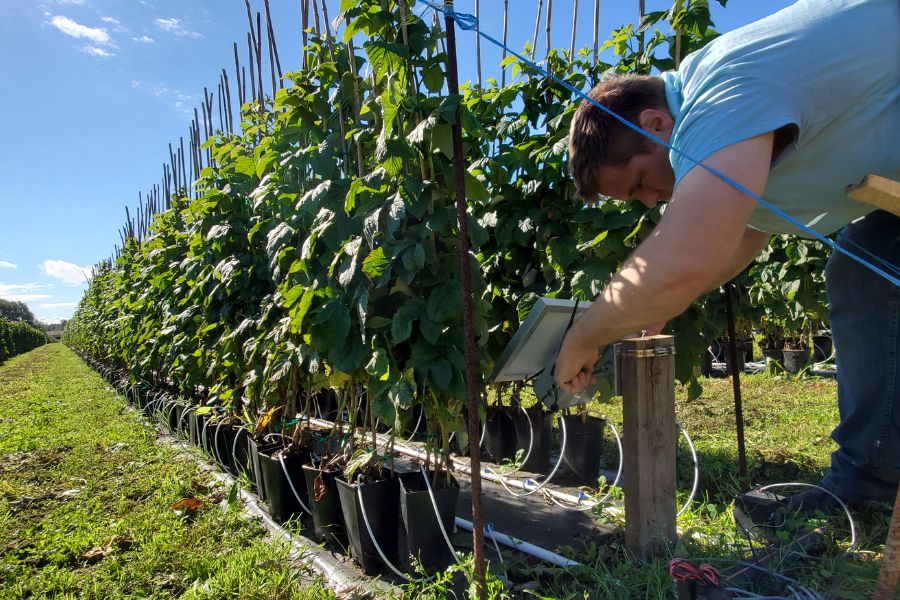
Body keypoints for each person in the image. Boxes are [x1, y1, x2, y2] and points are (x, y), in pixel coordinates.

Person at [556, 0, 899, 510]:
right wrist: (657, 304)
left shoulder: (719, 92)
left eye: (642, 183)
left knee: (866, 270)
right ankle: (870, 483)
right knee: (865, 266)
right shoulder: (727, 106)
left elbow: (691, 252)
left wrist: (583, 337)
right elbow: (740, 237)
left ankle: (867, 490)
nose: (653, 201)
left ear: (655, 123)